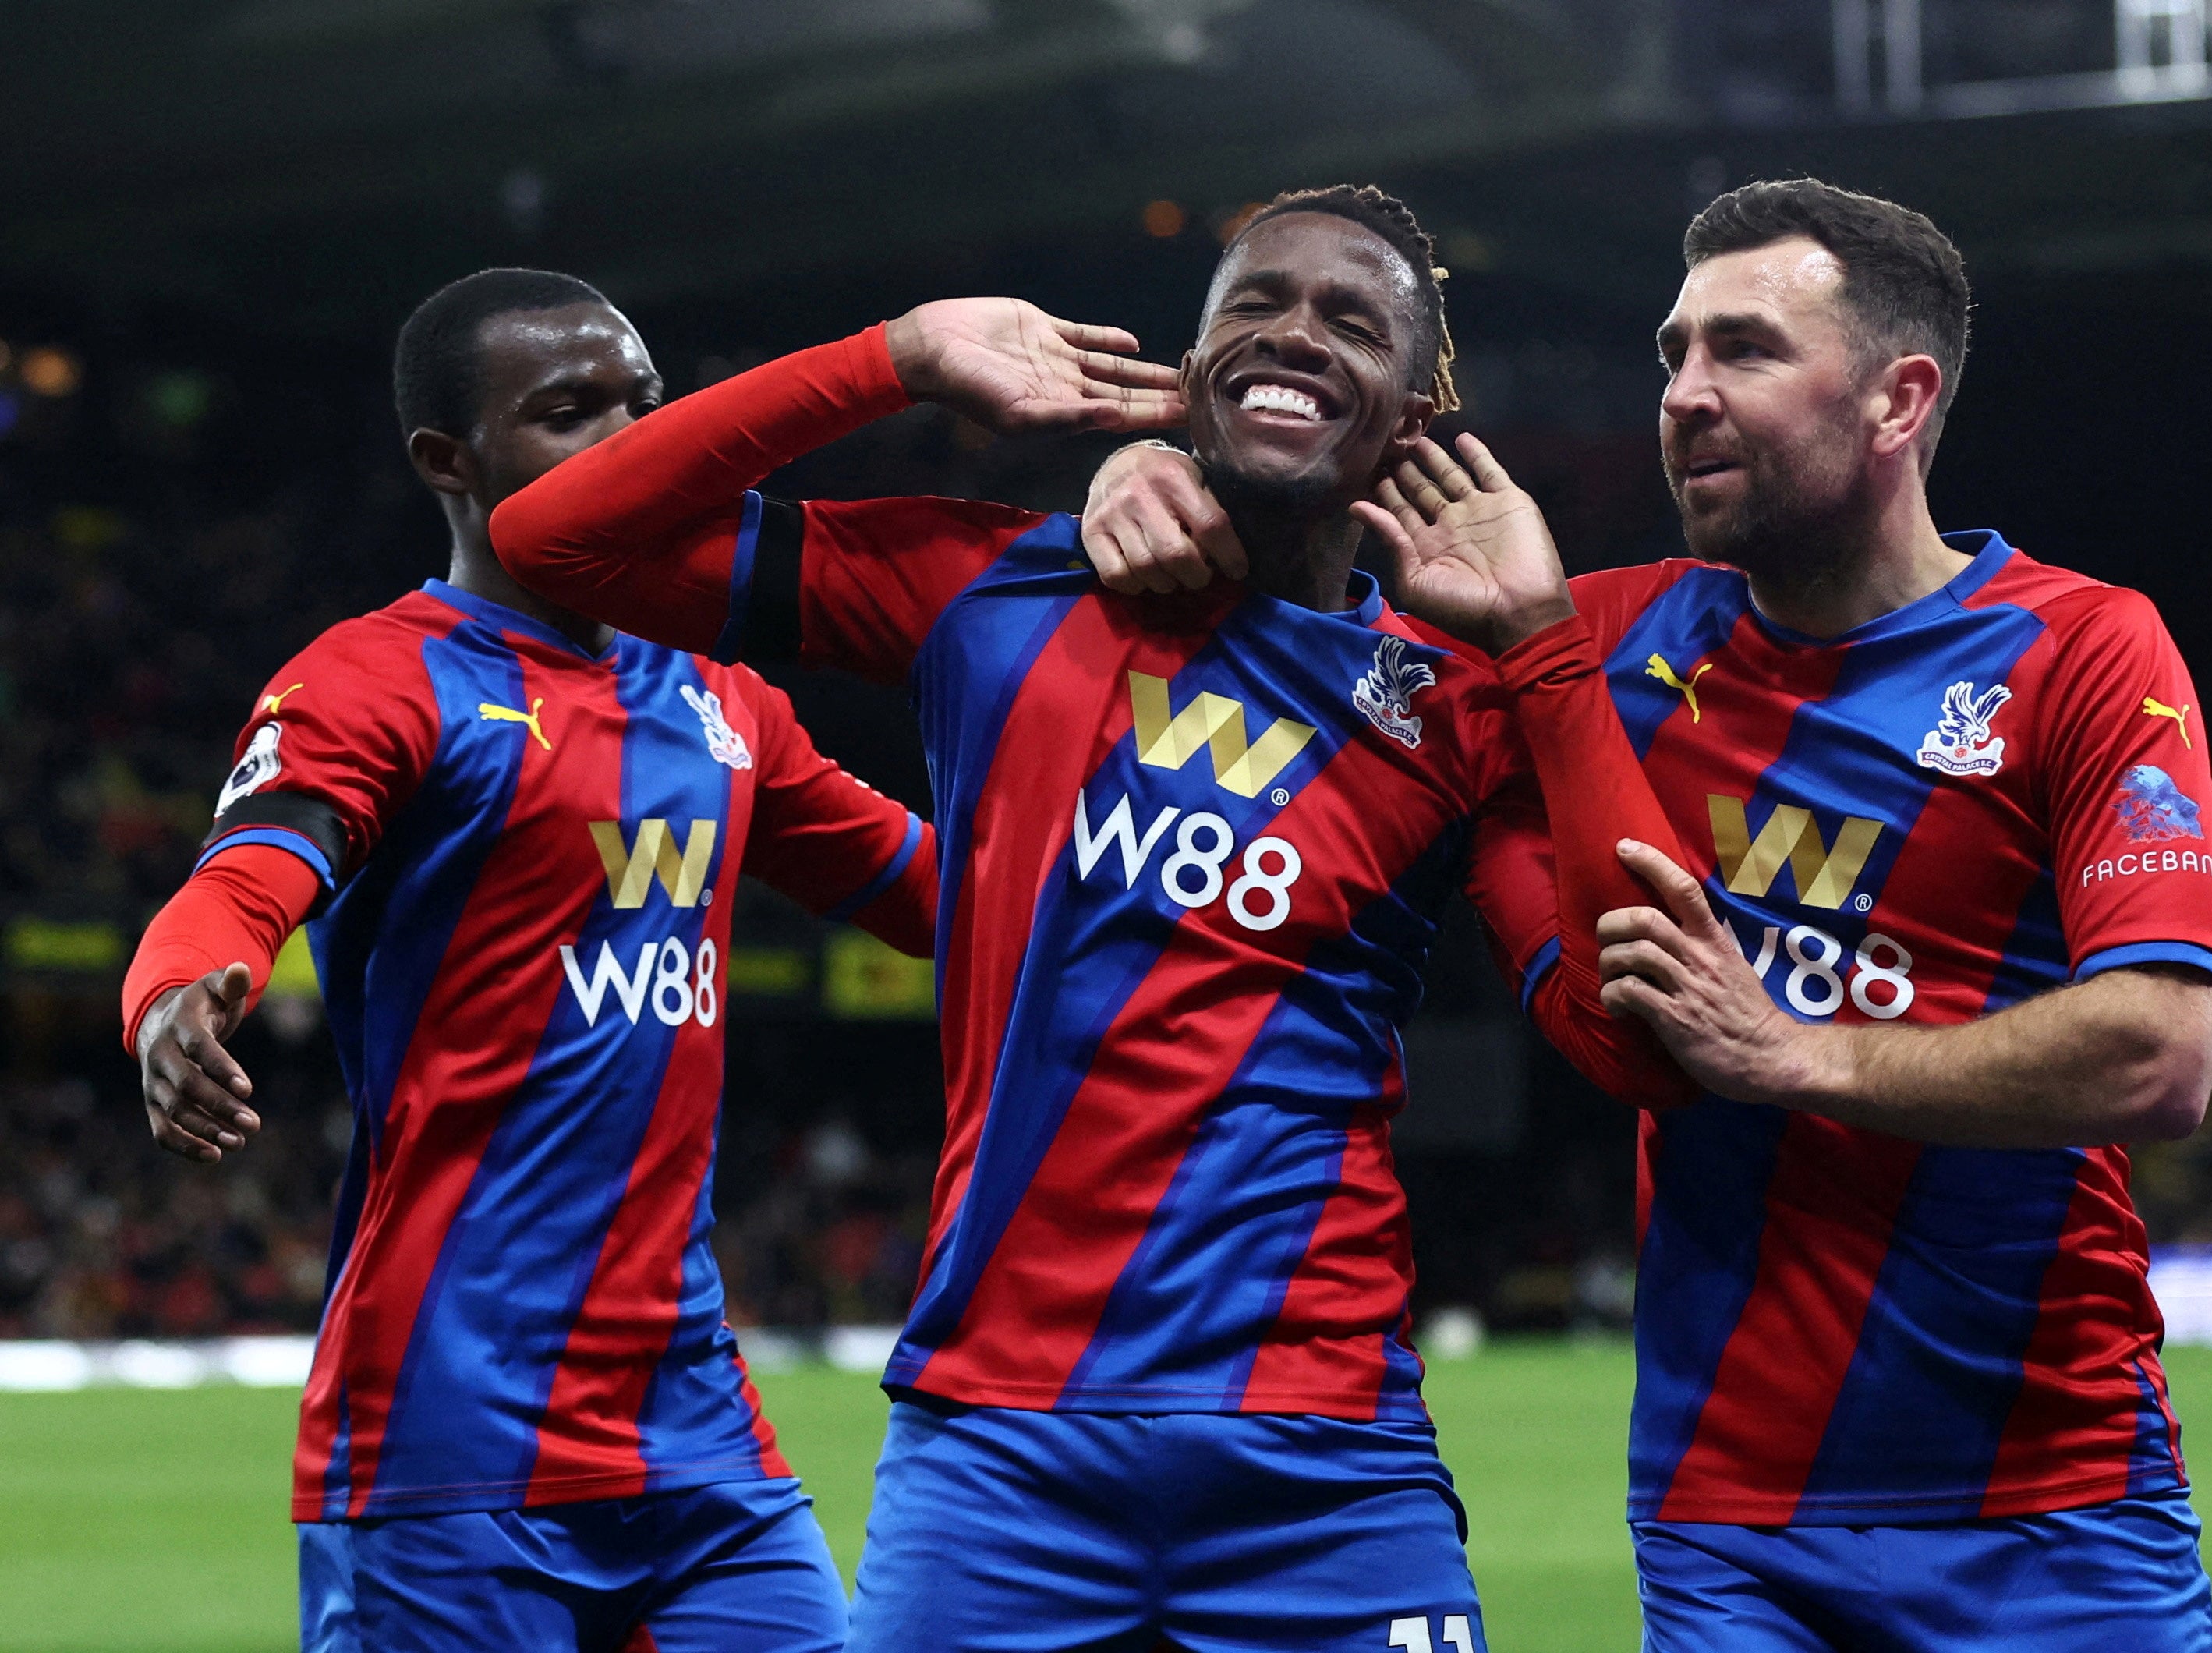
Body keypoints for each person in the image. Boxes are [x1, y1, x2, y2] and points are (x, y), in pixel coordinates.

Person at [490, 183, 1689, 1653]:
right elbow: (556, 539)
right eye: (1254, 303)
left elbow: (1642, 1045)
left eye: (1352, 322)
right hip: (999, 1456)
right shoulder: (990, 585)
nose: (1295, 334)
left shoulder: (1454, 704)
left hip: (1324, 1460)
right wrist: (900, 356)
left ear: (1413, 417)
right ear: (1187, 370)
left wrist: (1545, 652)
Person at [1103, 178, 2212, 1650]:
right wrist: (1147, 479)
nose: (1685, 395)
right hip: (1727, 1531)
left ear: (1900, 400)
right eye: (1673, 353)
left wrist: (1799, 1055)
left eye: (1746, 350)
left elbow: (2162, 1053)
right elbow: (1302, 647)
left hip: (2055, 1502)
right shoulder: (1597, 639)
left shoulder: (2080, 650)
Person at [121, 267, 1171, 1652]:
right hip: (446, 1437)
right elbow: (250, 873)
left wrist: (1202, 869)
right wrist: (174, 992)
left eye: (643, 405)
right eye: (569, 415)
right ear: (450, 461)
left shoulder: (724, 698)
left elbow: (953, 894)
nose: (630, 442)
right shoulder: (384, 677)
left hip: (696, 1433)